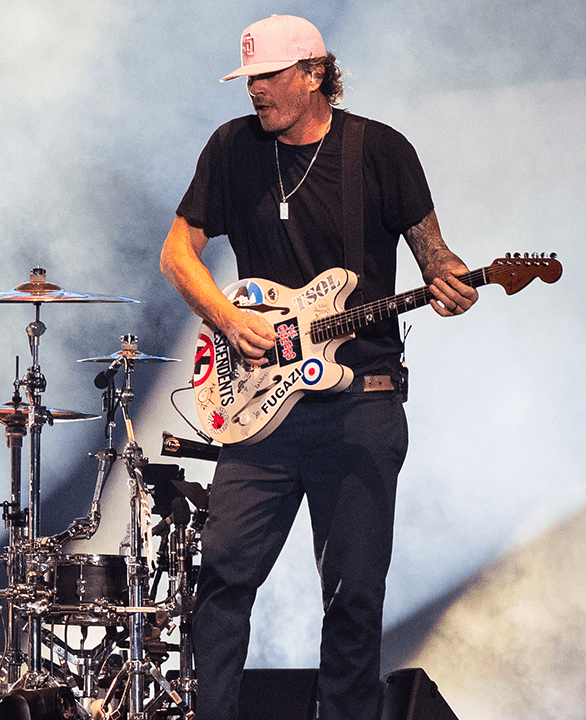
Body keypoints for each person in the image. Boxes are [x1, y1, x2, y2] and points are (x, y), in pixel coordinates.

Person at [158, 15, 478, 720]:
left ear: (313, 73)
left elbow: (436, 257)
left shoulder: (380, 151)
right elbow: (178, 252)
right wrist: (225, 316)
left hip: (361, 398)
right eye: (248, 80)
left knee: (354, 594)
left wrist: (454, 282)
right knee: (222, 579)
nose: (255, 93)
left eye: (268, 78)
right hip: (262, 410)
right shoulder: (231, 149)